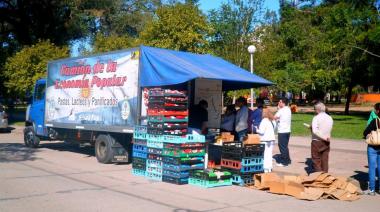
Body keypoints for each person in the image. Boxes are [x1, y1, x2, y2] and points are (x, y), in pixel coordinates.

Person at [309, 102, 333, 173]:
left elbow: (315, 131)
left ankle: (318, 178)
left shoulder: (316, 118)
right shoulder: (330, 117)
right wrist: (326, 137)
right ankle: (325, 176)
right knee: (325, 160)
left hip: (317, 141)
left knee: (316, 160)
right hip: (327, 141)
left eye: (315, 109)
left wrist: (323, 137)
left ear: (317, 110)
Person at [363, 103, 380, 195]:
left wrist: (367, 135)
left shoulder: (375, 121)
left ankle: (372, 190)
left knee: (372, 168)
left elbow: (365, 132)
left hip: (373, 147)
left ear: (377, 111)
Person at [255, 108, 276, 173]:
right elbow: (274, 129)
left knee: (265, 155)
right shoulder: (273, 121)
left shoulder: (264, 120)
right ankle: (269, 168)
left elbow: (261, 132)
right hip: (272, 139)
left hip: (265, 140)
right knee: (269, 155)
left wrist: (256, 129)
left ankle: (265, 169)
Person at [274, 97, 292, 167]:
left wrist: (278, 109)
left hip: (282, 131)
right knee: (285, 146)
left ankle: (285, 162)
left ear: (283, 103)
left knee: (282, 146)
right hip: (287, 130)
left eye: (280, 102)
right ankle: (288, 160)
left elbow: (275, 117)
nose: (278, 103)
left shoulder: (281, 110)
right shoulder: (288, 109)